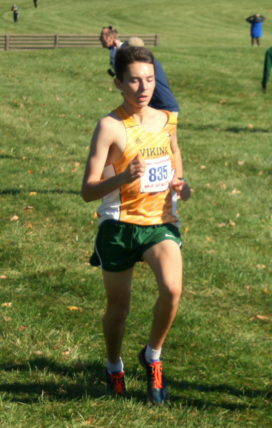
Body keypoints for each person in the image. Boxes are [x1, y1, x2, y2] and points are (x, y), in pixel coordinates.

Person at [81, 45, 191, 405]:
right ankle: (114, 365)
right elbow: (87, 190)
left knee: (172, 290)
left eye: (149, 79)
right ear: (118, 83)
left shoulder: (166, 120)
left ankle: (153, 356)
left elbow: (175, 159)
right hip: (119, 225)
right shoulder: (110, 126)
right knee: (119, 309)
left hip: (159, 221)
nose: (143, 88)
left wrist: (180, 184)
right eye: (134, 81)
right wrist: (123, 176)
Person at [99, 27, 180, 115]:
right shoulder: (143, 60)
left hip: (163, 108)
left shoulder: (145, 63)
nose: (100, 39)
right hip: (153, 107)